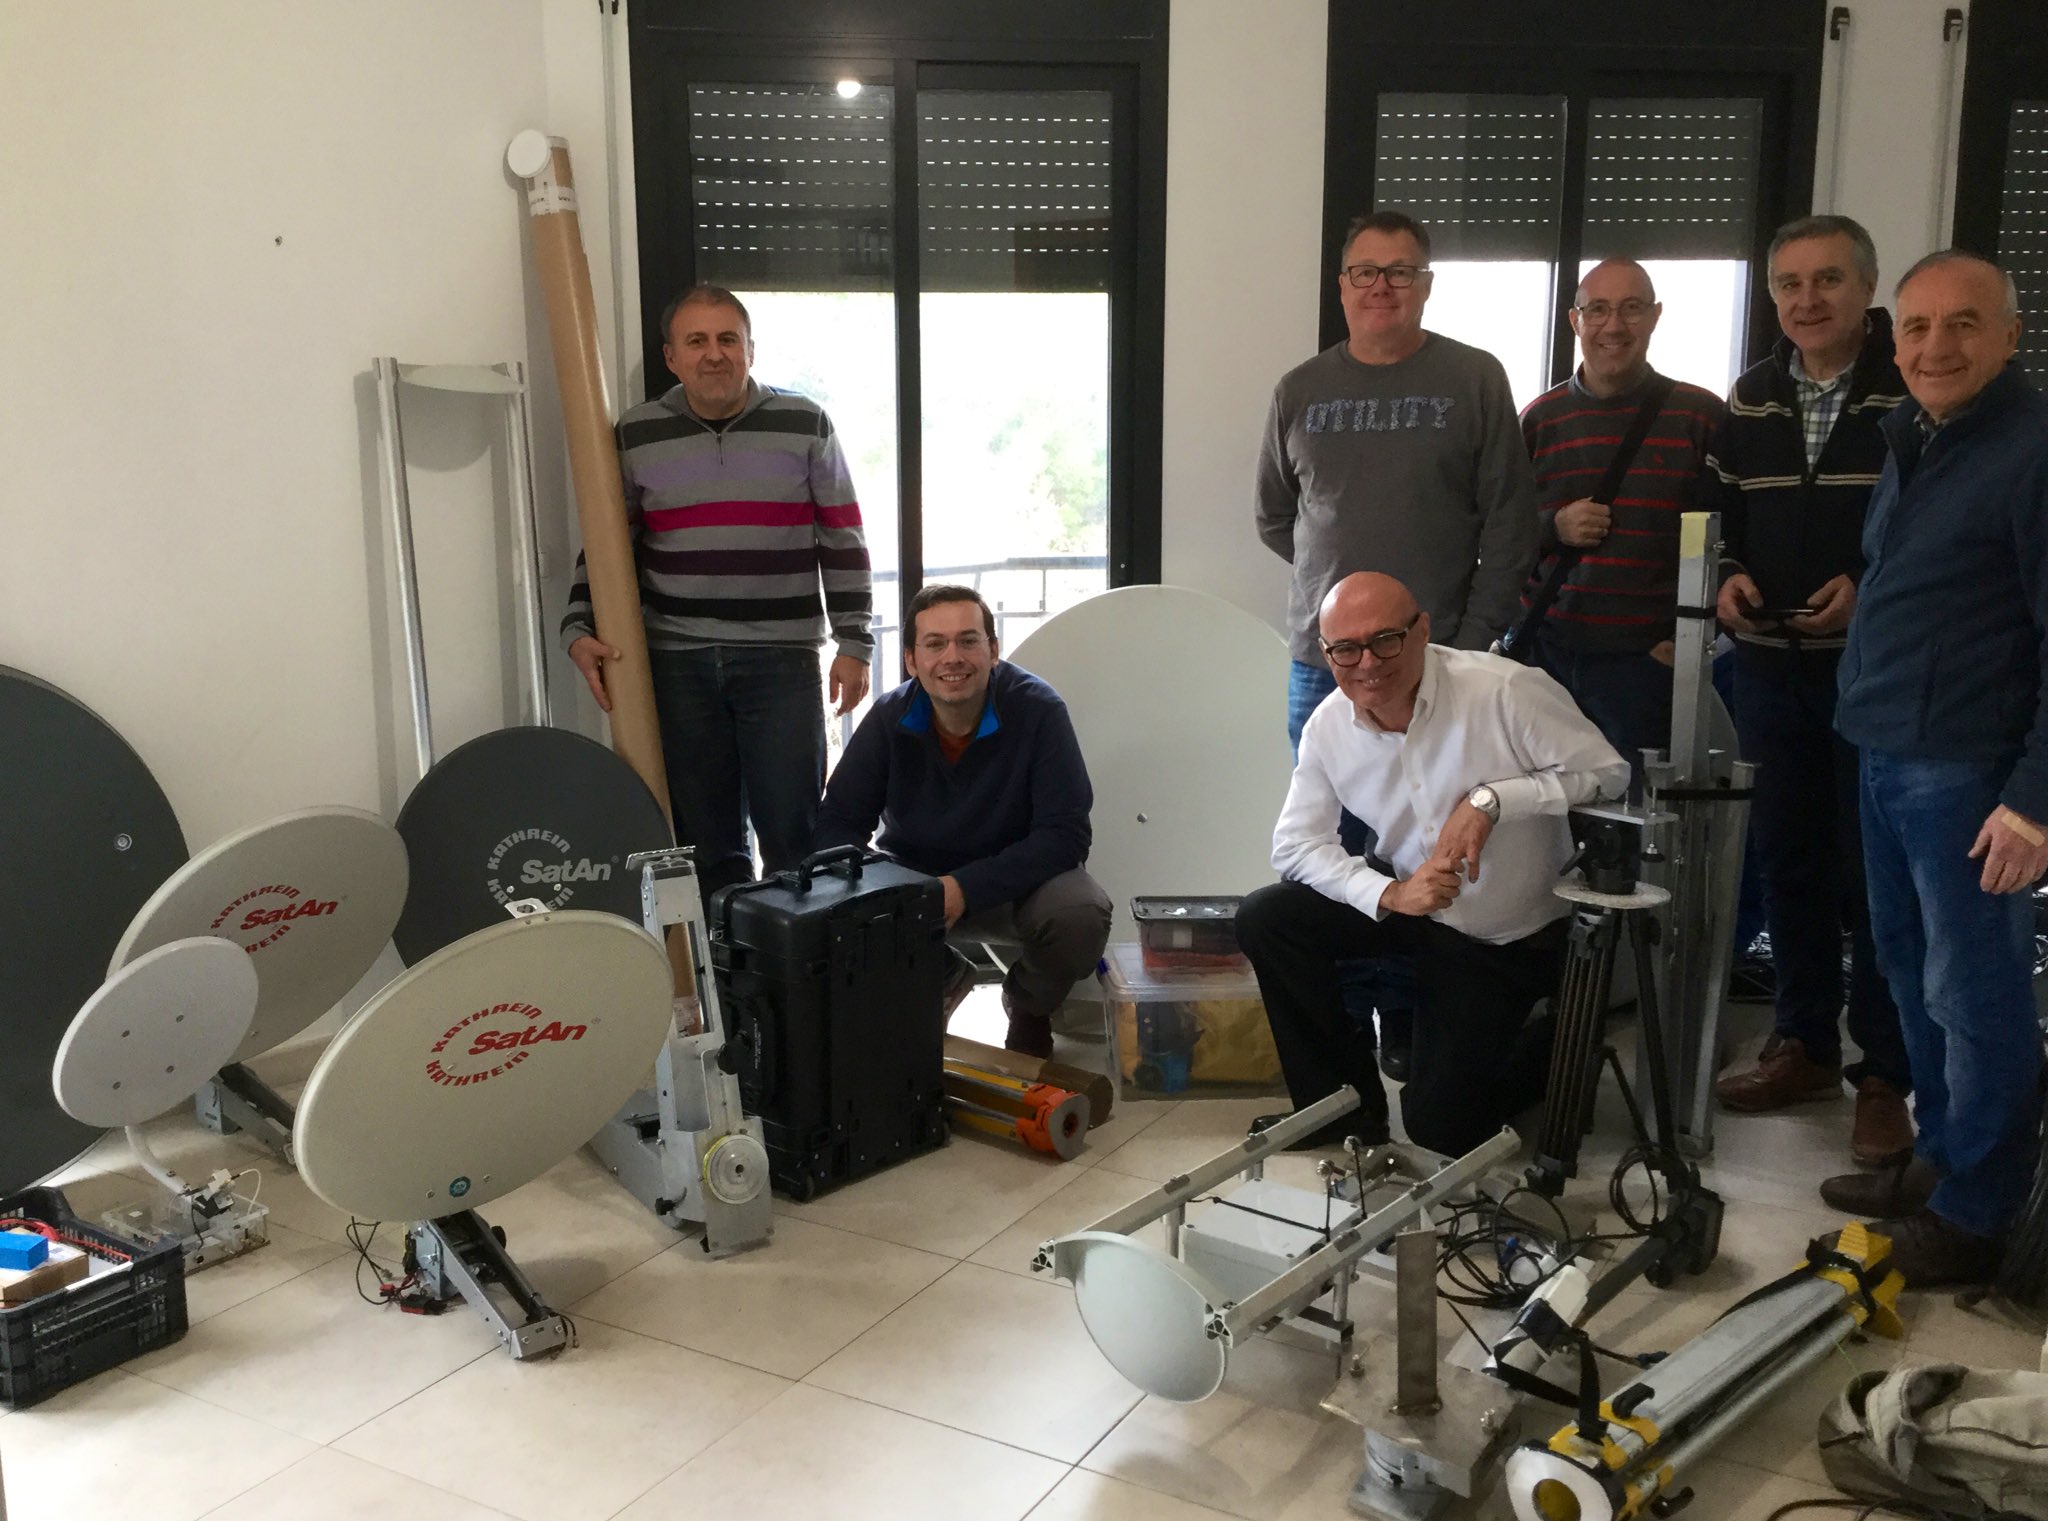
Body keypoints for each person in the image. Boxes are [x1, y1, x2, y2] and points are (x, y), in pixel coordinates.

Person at [1255, 209, 1539, 1078]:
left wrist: (1469, 637)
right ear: (1342, 286)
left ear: (1426, 284)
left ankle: (1417, 1021)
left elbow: (1511, 521)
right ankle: (1341, 1035)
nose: (1382, 286)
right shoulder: (1300, 388)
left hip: (1441, 665)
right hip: (1324, 668)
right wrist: (1343, 617)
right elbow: (1277, 517)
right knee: (1329, 854)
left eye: (1401, 270)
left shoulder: (1473, 378)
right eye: (1366, 272)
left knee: (1431, 846)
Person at [1823, 251, 2048, 1287]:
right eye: (1914, 327)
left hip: (1968, 772)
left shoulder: (2030, 452)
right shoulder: (1915, 436)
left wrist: (2031, 803)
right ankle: (1944, 1158)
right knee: (1911, 974)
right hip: (1886, 751)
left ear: (2010, 335)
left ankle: (1978, 1212)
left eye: (1962, 324)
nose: (1934, 346)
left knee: (1974, 991)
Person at [1236, 572, 1629, 1156]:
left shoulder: (1504, 690)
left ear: (1422, 630)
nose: (1368, 663)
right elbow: (1294, 845)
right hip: (1420, 912)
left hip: (1506, 938)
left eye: (1385, 640)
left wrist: (1492, 800)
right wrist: (1388, 895)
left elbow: (1609, 773)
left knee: (1441, 1129)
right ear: (1326, 652)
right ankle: (1338, 1110)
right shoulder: (1329, 727)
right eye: (1346, 649)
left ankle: (1560, 1044)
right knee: (1268, 918)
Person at [1703, 216, 1914, 1173]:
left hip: (1876, 675)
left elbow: (1935, 526)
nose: (1807, 299)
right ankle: (1805, 1044)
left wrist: (1867, 591)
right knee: (1787, 858)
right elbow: (1716, 512)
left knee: (1875, 876)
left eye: (1827, 279)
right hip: (1768, 667)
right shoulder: (1750, 395)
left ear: (1866, 288)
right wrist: (1728, 575)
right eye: (1789, 283)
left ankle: (1884, 1074)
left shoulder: (1911, 386)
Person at [562, 286, 873, 900]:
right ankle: (727, 960)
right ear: (671, 356)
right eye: (697, 341)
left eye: (728, 339)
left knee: (793, 836)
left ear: (750, 350)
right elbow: (607, 541)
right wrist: (579, 624)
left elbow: (842, 534)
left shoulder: (804, 422)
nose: (714, 354)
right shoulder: (635, 434)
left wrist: (855, 641)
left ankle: (791, 958)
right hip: (677, 662)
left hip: (781, 661)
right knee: (707, 846)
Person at [814, 584, 1111, 1059]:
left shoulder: (1039, 710)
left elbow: (1066, 835)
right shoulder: (889, 718)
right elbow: (837, 824)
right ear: (911, 660)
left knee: (1080, 915)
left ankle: (1028, 1005)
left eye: (968, 641)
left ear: (993, 650)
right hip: (917, 888)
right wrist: (891, 892)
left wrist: (964, 887)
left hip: (1017, 886)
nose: (952, 657)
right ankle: (939, 973)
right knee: (832, 896)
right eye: (935, 644)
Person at [1518, 259, 1725, 783]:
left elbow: (1733, 538)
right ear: (1575, 320)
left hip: (1646, 666)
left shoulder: (1699, 416)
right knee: (1545, 808)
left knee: (1637, 813)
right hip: (1547, 658)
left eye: (1631, 308)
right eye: (1598, 310)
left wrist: (1687, 645)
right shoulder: (1539, 419)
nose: (1613, 326)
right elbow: (1502, 533)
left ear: (1655, 317)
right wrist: (1554, 527)